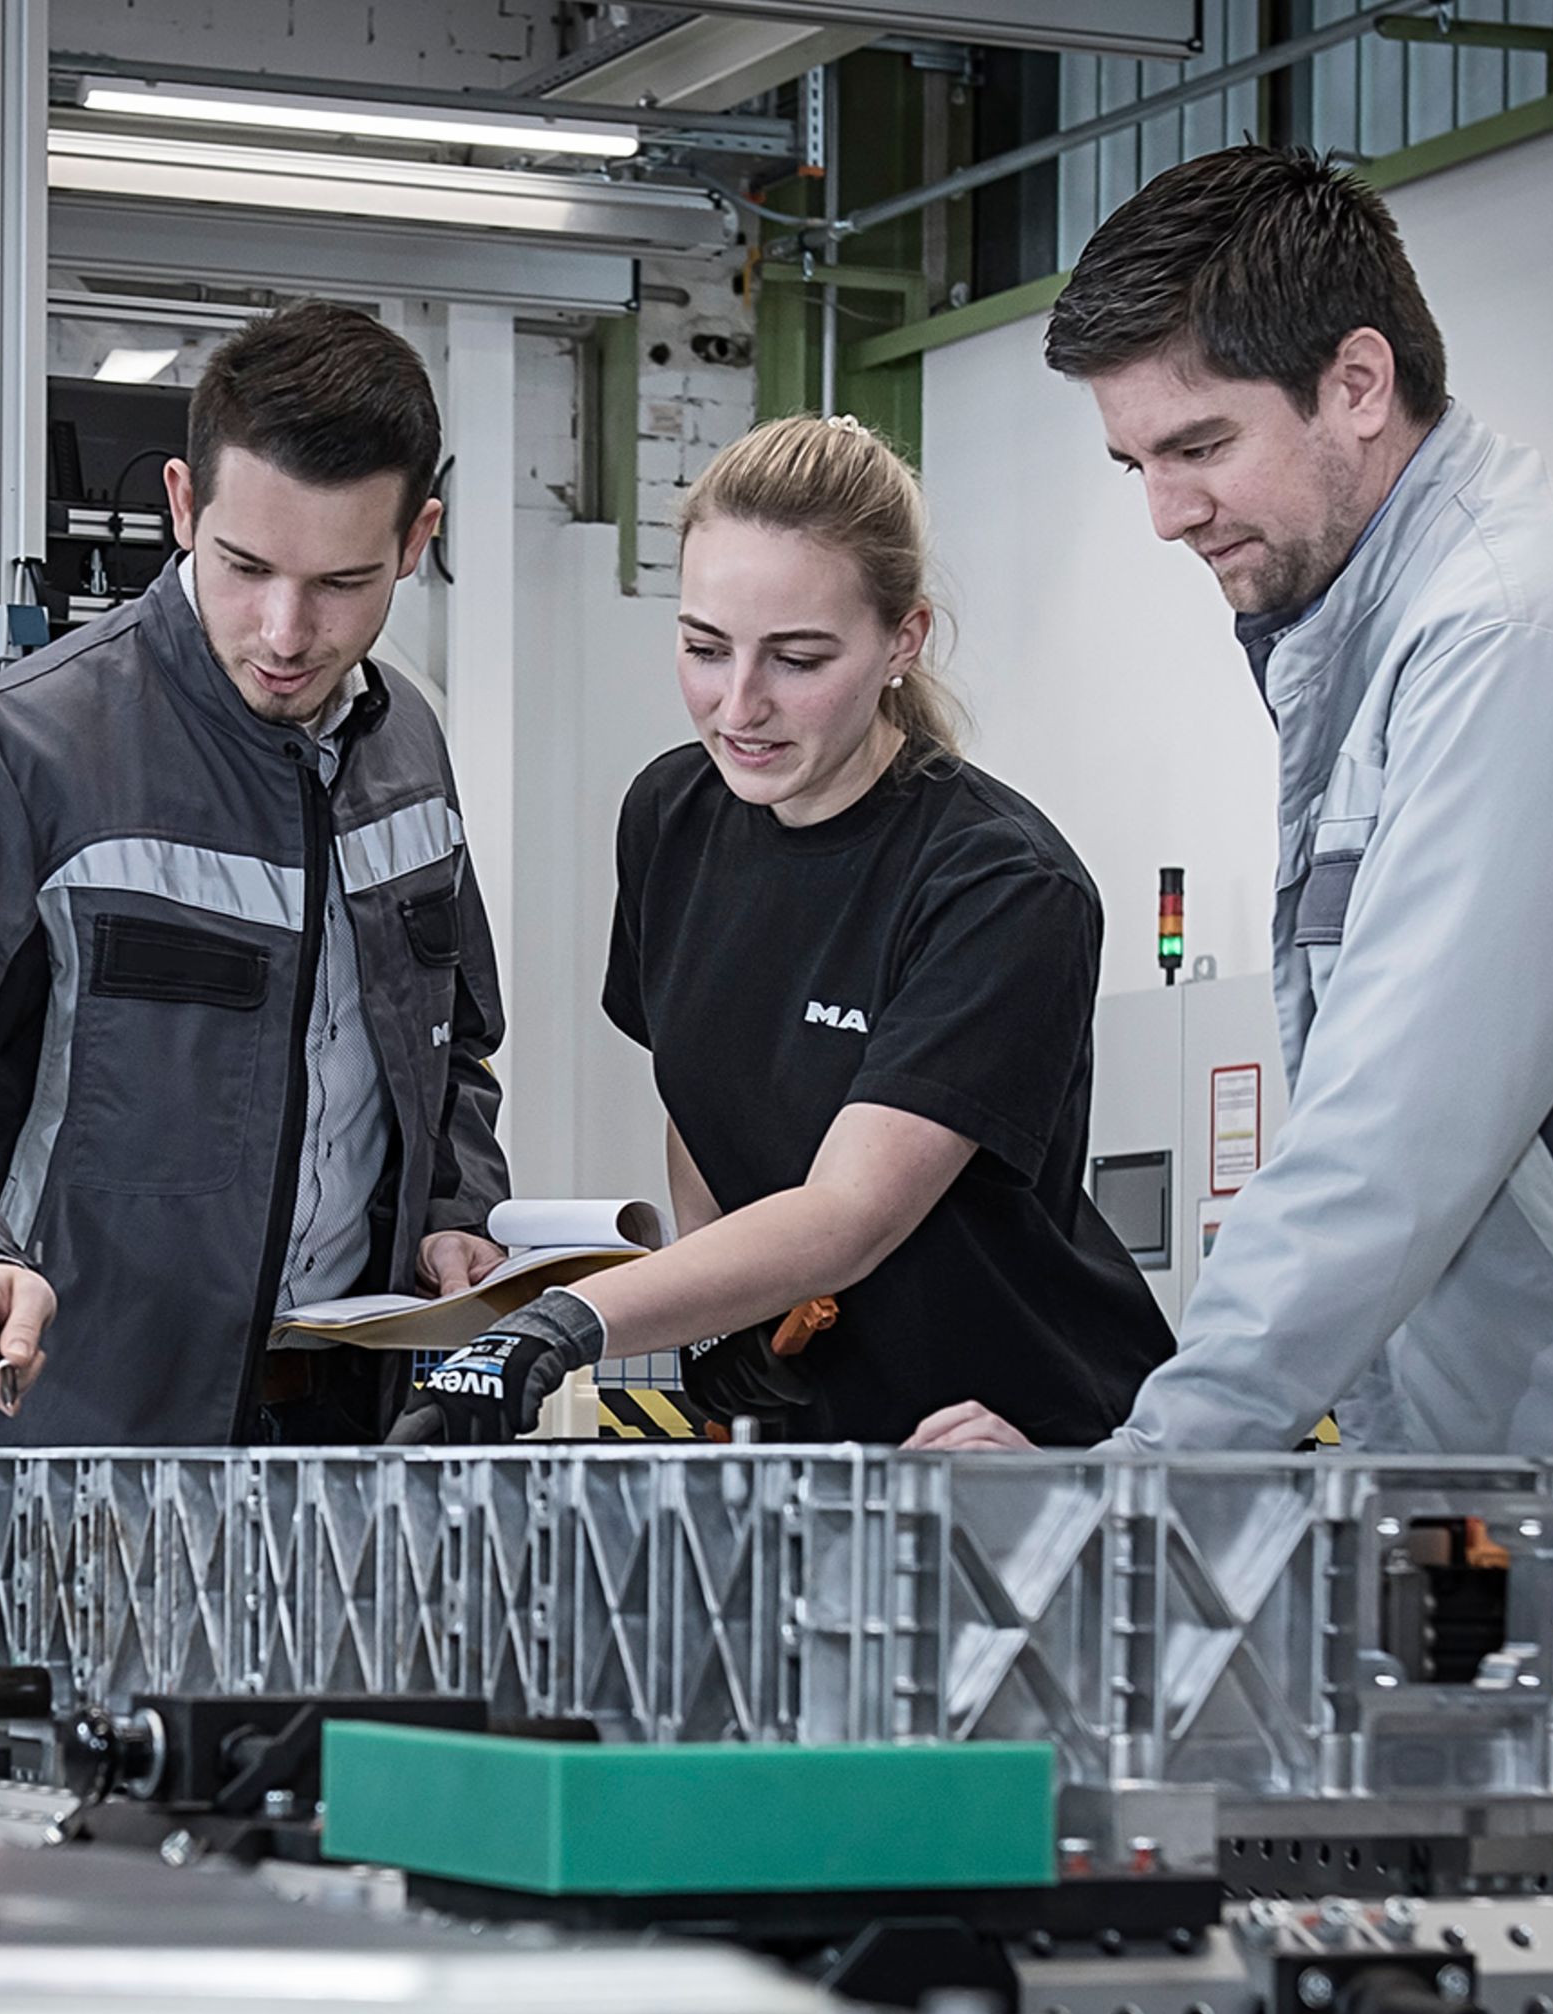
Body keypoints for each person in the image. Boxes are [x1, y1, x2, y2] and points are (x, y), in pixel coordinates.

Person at [910, 146, 1553, 1461]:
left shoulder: (1517, 635)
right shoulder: (1368, 628)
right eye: (1135, 467)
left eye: (1201, 445)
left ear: (1357, 382)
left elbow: (1395, 1124)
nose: (1168, 515)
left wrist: (1148, 1477)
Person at [0, 302, 511, 1447]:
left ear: (417, 543)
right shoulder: (25, 754)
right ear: (181, 504)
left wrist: (456, 1212)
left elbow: (450, 1040)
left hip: (351, 1448)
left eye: (343, 584)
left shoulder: (407, 745)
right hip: (71, 1451)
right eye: (246, 566)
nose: (285, 630)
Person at [405, 414, 1173, 1447]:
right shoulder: (672, 816)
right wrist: (721, 1343)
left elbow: (852, 1213)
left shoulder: (997, 883)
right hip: (818, 1440)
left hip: (1009, 1430)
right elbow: (701, 1095)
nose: (739, 705)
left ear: (905, 638)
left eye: (798, 658)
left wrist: (568, 1321)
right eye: (704, 648)